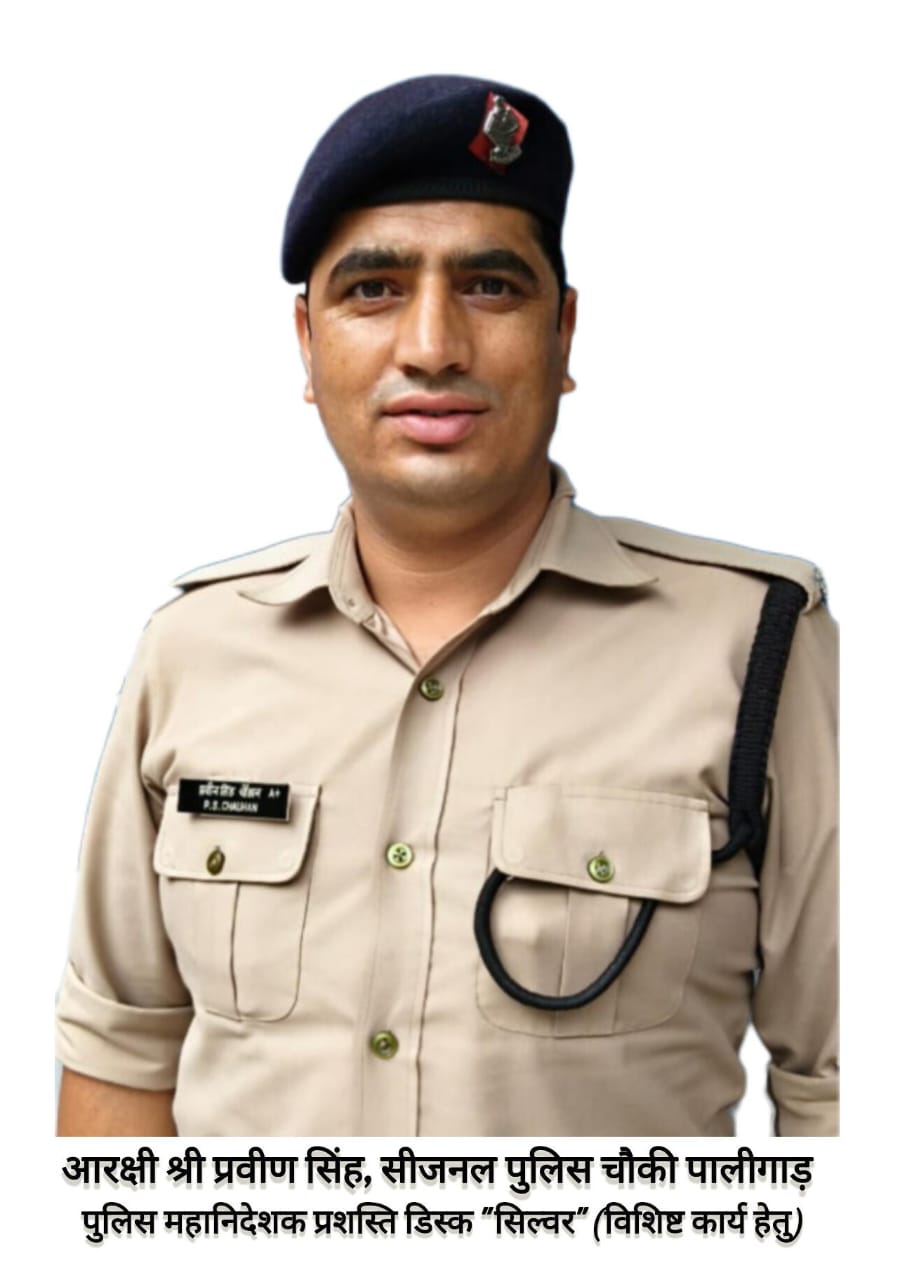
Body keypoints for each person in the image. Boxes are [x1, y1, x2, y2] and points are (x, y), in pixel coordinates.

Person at [55, 74, 838, 1138]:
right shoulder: (191, 650)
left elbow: (842, 1080)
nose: (431, 344)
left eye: (490, 286)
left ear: (563, 334)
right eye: (374, 290)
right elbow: (121, 1053)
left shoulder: (759, 649)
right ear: (306, 343)